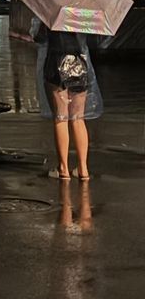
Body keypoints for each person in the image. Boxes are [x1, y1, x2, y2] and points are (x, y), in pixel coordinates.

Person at [31, 18, 102, 180]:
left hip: (55, 62)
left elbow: (38, 38)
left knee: (61, 118)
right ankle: (83, 169)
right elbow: (91, 39)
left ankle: (63, 168)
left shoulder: (50, 14)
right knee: (78, 118)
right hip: (78, 64)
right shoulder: (78, 15)